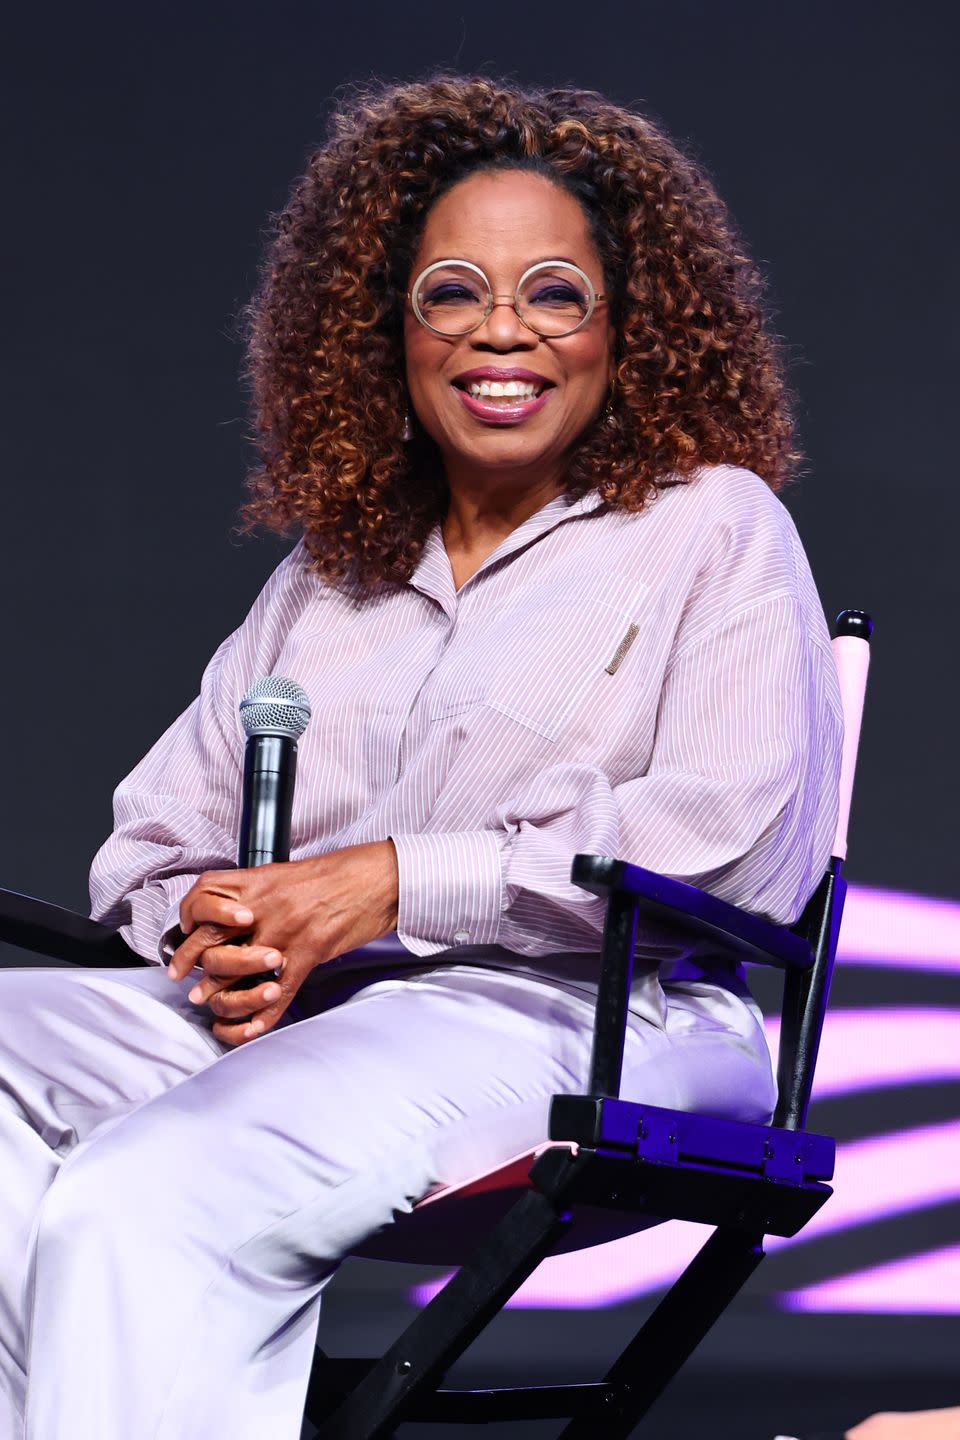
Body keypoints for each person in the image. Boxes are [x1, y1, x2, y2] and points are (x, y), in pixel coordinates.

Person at [0, 74, 842, 1439]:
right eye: (453, 290)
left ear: (630, 333)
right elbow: (157, 840)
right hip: (319, 1017)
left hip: (600, 1014)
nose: (500, 328)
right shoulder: (330, 574)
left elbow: (735, 849)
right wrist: (222, 924)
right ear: (385, 333)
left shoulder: (710, 528)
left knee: (155, 1188)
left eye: (556, 293)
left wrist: (392, 882)